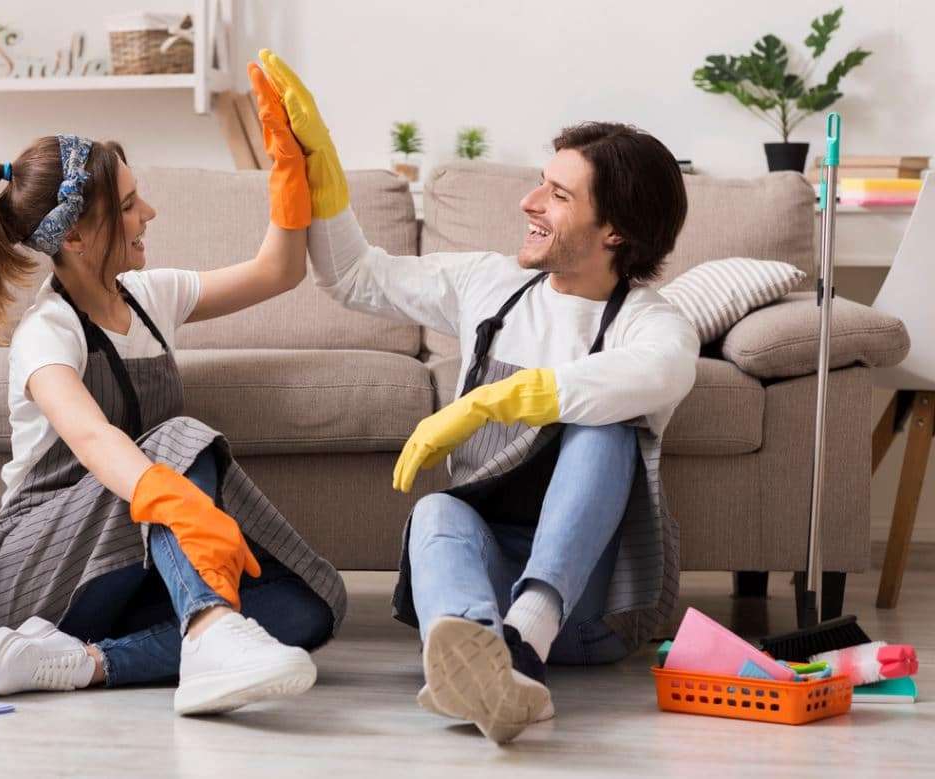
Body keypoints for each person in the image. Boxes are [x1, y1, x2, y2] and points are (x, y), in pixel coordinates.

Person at [258, 49, 699, 743]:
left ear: (615, 231)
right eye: (540, 183)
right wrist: (320, 162)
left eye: (558, 195)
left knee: (606, 428)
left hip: (593, 605)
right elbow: (355, 277)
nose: (529, 202)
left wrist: (488, 402)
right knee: (437, 509)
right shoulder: (489, 285)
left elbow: (658, 374)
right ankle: (481, 660)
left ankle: (525, 642)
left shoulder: (652, 323)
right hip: (487, 586)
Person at [0, 62, 345, 716]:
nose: (150, 213)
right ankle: (209, 625)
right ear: (75, 235)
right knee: (176, 438)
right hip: (34, 569)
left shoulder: (149, 296)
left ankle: (84, 662)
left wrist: (288, 165)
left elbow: (277, 272)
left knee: (311, 604)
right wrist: (174, 498)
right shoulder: (47, 332)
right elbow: (91, 436)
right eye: (128, 205)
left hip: (125, 561)